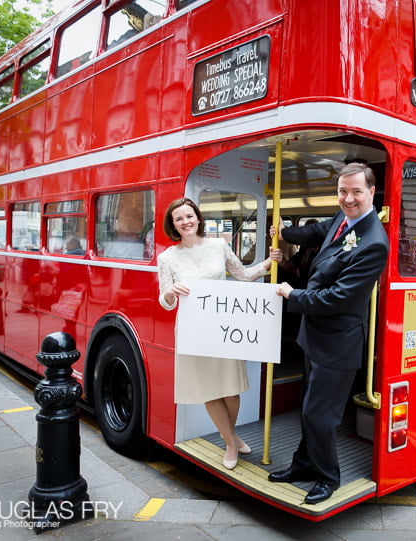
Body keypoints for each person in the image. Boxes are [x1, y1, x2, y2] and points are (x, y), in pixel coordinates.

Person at [268, 163, 389, 505]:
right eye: (342, 191)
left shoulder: (374, 242)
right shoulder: (343, 218)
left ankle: (327, 477)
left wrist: (292, 294)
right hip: (313, 337)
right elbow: (320, 230)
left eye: (356, 192)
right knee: (308, 407)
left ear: (371, 193)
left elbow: (337, 298)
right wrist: (285, 233)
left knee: (318, 415)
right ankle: (303, 465)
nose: (348, 198)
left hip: (338, 344)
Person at [157, 197, 281, 470]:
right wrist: (169, 292)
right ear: (173, 225)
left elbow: (244, 276)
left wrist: (268, 263)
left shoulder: (218, 245)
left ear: (198, 218)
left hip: (223, 328)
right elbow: (165, 303)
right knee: (209, 391)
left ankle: (231, 436)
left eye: (189, 216)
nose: (185, 222)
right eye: (179, 219)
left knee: (231, 390)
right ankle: (229, 442)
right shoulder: (166, 258)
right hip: (192, 332)